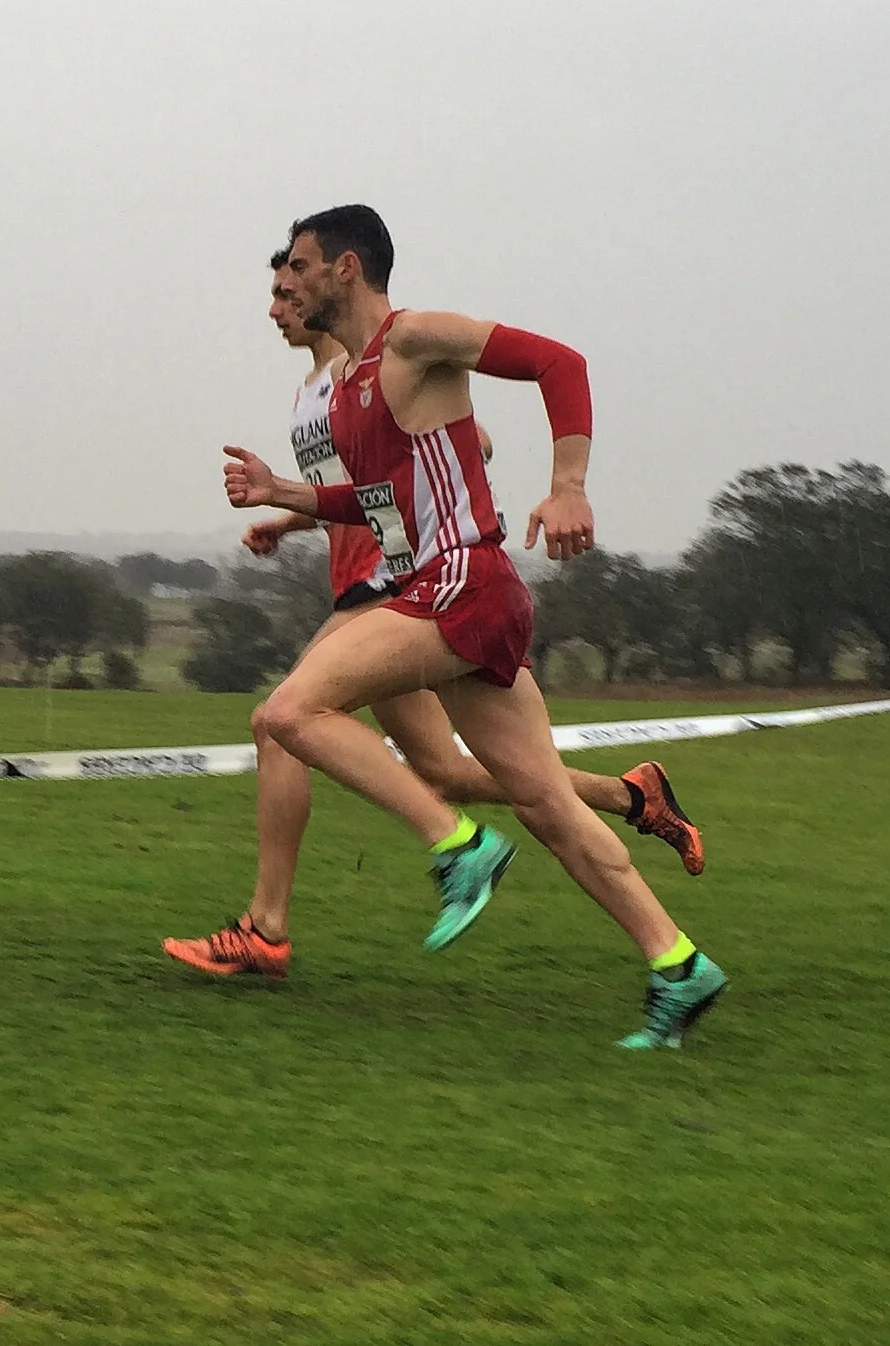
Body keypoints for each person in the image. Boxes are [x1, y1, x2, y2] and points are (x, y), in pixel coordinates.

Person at [219, 204, 726, 1048]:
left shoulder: (417, 338)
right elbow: (383, 498)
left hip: (462, 583)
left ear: (345, 269)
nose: (287, 287)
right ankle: (678, 965)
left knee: (287, 715)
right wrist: (286, 496)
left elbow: (559, 363)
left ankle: (456, 846)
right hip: (453, 587)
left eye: (299, 269)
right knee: (546, 803)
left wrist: (569, 484)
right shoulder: (346, 390)